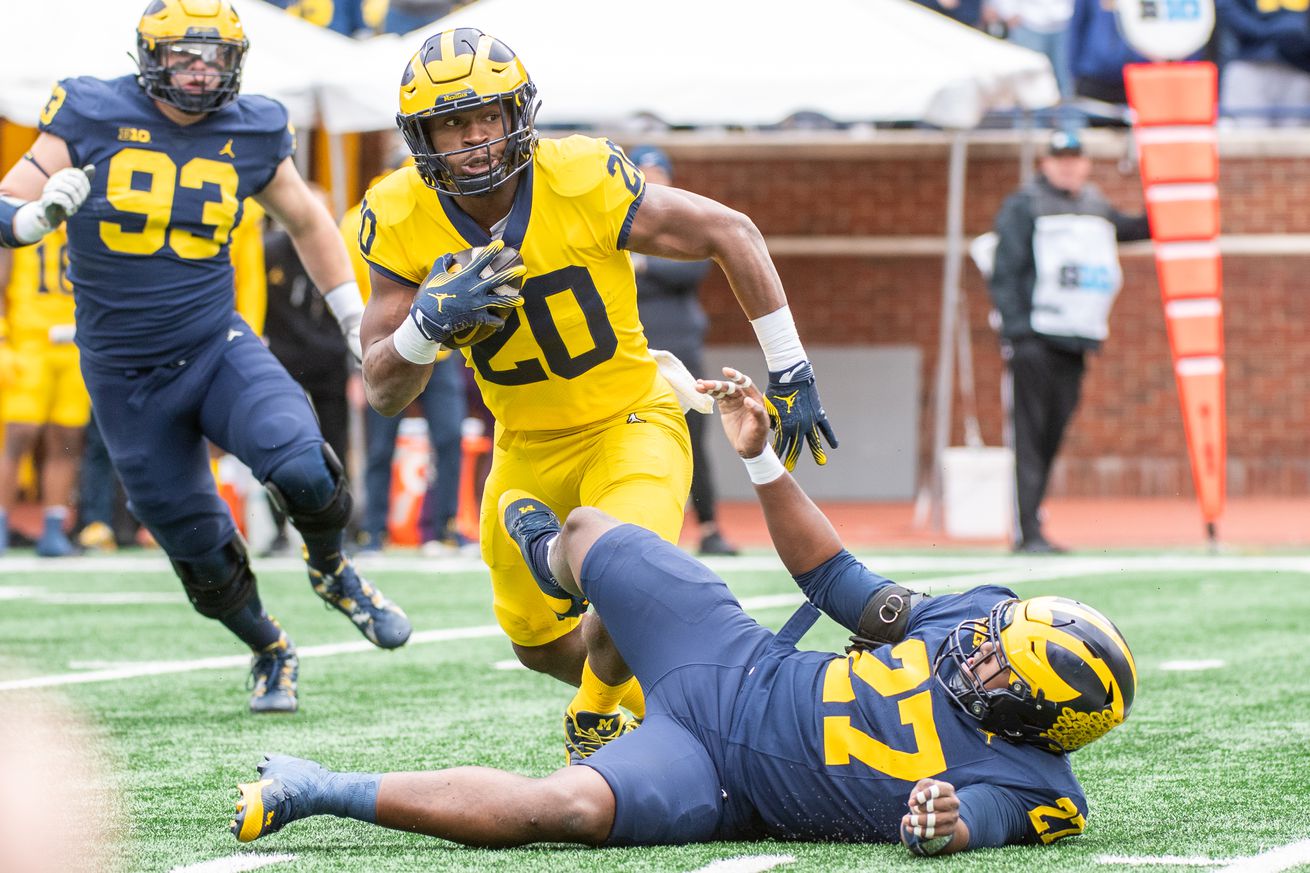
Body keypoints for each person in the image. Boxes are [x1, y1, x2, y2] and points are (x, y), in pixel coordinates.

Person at [230, 365, 1136, 854]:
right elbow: (834, 579)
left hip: (722, 777)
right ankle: (567, 602)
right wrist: (761, 459)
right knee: (594, 531)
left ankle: (321, 789)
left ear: (1039, 720)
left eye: (995, 667)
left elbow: (978, 825)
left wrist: (943, 822)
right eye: (988, 640)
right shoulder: (969, 618)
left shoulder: (1035, 787)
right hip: (738, 661)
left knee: (568, 810)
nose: (975, 650)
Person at [356, 28, 837, 760]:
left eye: (488, 115)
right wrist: (426, 326)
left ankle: (596, 723)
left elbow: (730, 231)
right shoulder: (398, 214)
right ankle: (708, 720)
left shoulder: (581, 175)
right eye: (454, 122)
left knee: (621, 575)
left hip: (631, 418)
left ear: (520, 113)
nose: (477, 138)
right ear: (422, 136)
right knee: (541, 644)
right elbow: (384, 388)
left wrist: (791, 368)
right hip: (526, 442)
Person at [0, 0, 411, 713]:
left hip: (213, 345)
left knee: (306, 465)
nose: (200, 70)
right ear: (148, 56)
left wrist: (352, 313)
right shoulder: (90, 112)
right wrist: (38, 218)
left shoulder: (251, 126)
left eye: (214, 56)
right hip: (124, 373)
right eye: (184, 55)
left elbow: (308, 217)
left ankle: (331, 566)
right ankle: (269, 646)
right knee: (201, 555)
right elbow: (7, 204)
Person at [987, 130, 1150, 554]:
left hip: (1077, 341)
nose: (1068, 165)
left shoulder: (1094, 204)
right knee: (1030, 436)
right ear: (1045, 163)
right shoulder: (1024, 204)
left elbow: (1132, 228)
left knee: (1051, 435)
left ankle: (1033, 523)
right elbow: (1006, 272)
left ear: (1086, 163)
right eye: (1060, 158)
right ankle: (1027, 530)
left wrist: (1166, 201)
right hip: (1037, 340)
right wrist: (1019, 333)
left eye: (1075, 158)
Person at [339, 172, 468, 555]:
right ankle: (375, 530)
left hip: (438, 349)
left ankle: (439, 528)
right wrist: (357, 362)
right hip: (386, 350)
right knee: (382, 445)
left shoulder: (443, 214)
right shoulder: (358, 221)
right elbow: (356, 300)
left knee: (448, 437)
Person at [627, 145, 737, 557]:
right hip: (630, 347)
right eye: (643, 170)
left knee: (691, 438)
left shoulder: (684, 220)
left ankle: (709, 527)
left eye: (658, 170)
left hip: (680, 347)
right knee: (629, 436)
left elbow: (692, 268)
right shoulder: (615, 220)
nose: (651, 177)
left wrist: (640, 266)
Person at [0, 226, 86, 557]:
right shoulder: (23, 220)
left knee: (67, 439)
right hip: (29, 343)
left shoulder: (85, 219)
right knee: (19, 434)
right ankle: (3, 524)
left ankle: (54, 528)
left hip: (74, 342)